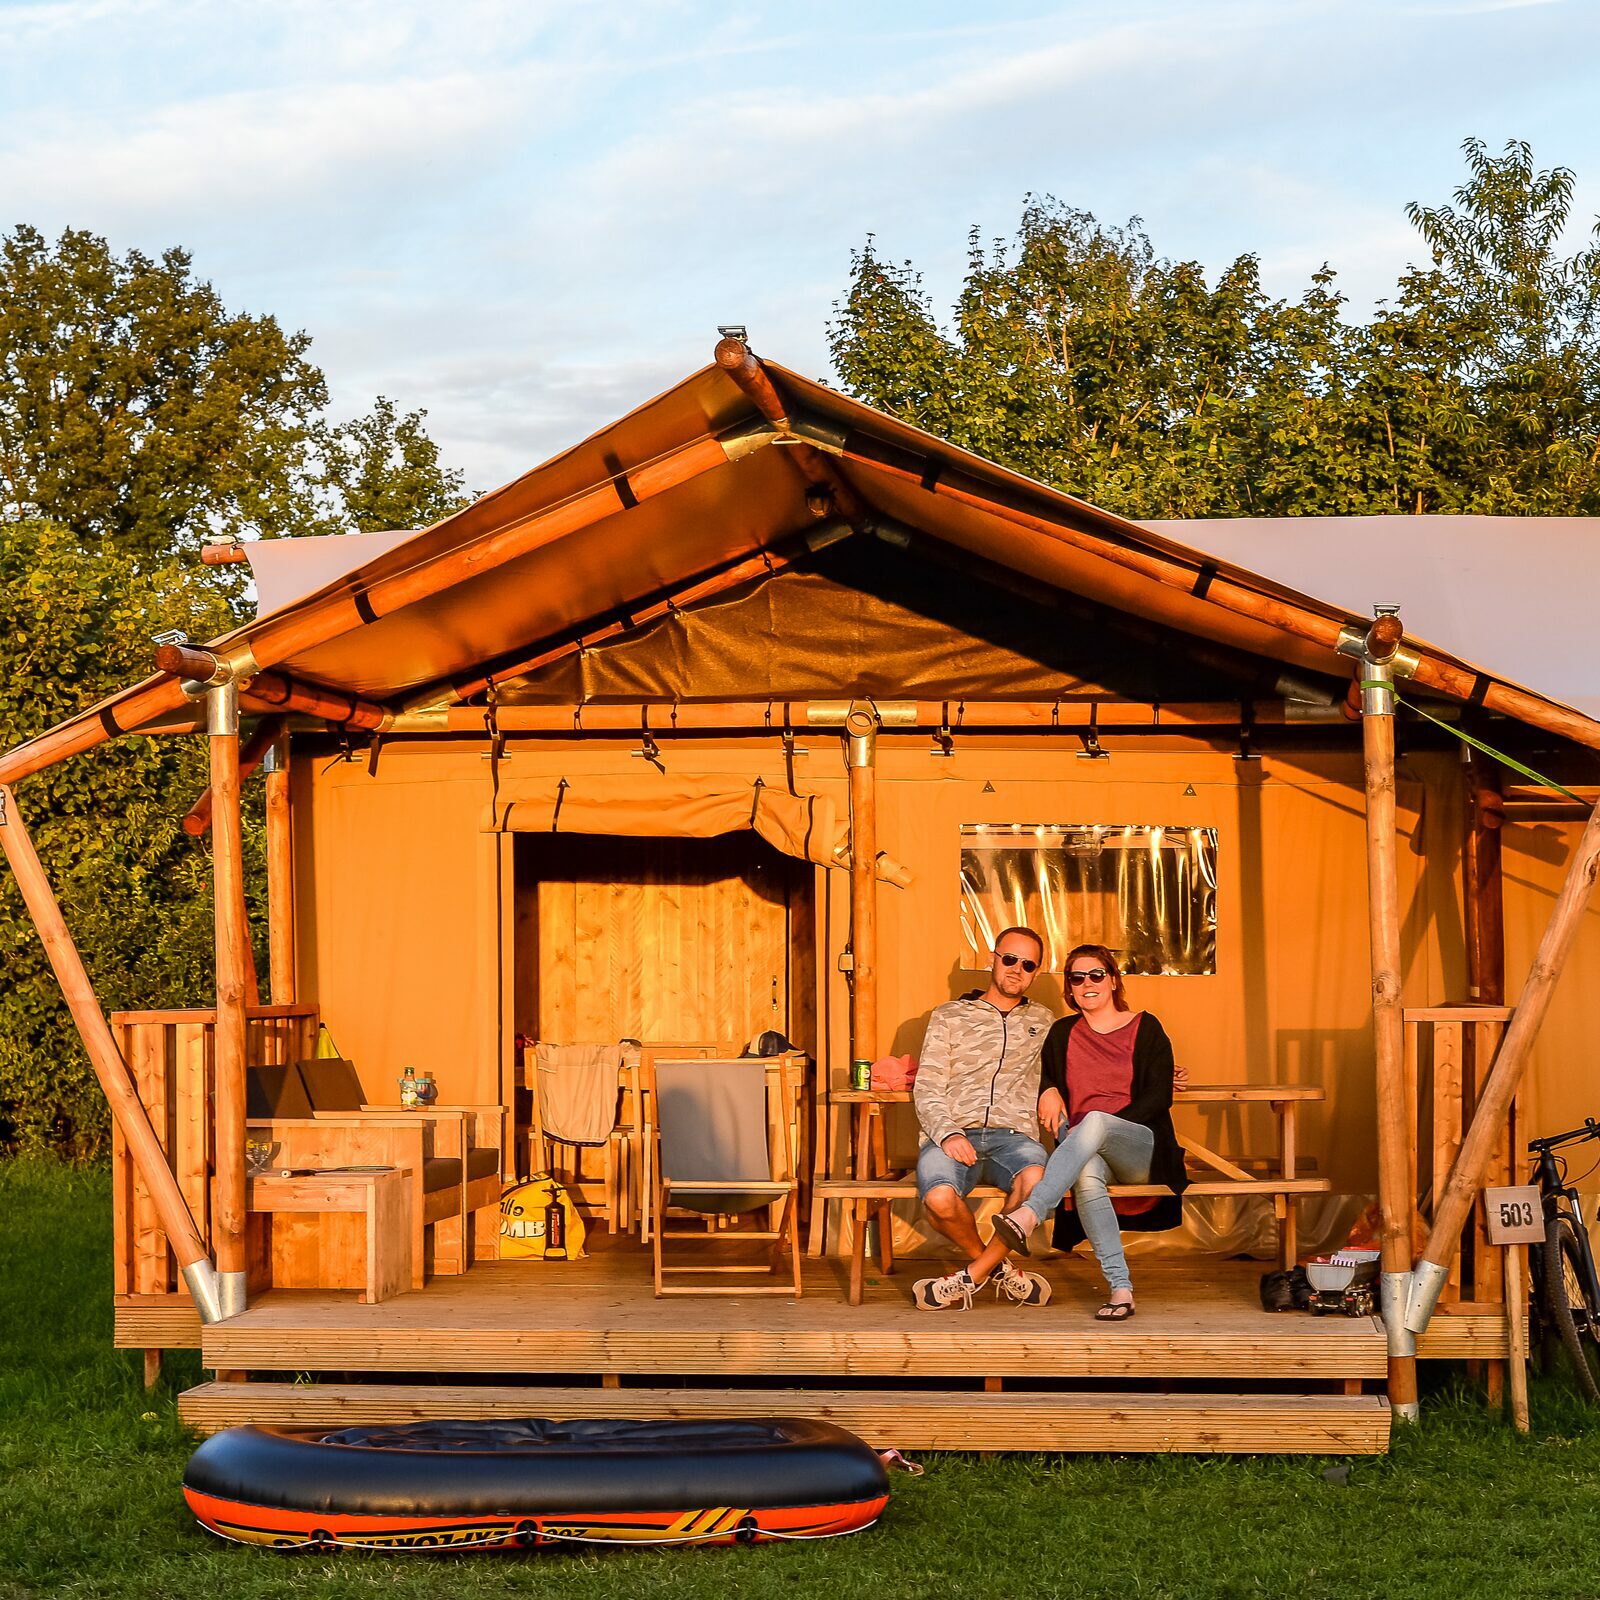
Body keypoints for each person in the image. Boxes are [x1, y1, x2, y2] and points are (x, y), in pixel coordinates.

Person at [918, 943, 1188, 1320]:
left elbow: (1158, 1099)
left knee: (1093, 1120)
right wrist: (1049, 1088)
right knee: (1088, 1177)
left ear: (1112, 980)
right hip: (1087, 1151)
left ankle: (1028, 1215)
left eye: (1097, 975)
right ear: (1070, 988)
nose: (1087, 983)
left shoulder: (1146, 1026)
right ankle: (1121, 1288)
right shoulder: (1060, 1031)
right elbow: (1042, 1073)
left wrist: (1152, 1083)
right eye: (1077, 977)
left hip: (1138, 1145)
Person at [909, 927, 1056, 1310]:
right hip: (955, 1133)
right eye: (1009, 959)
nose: (1016, 970)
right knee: (939, 1198)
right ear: (993, 958)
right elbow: (926, 1086)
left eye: (1027, 964)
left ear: (1036, 972)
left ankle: (970, 1276)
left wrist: (1154, 1070)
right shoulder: (950, 1016)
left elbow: (1087, 1058)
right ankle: (999, 1269)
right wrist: (948, 1133)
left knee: (1036, 1179)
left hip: (1015, 1138)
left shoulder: (1044, 1020)